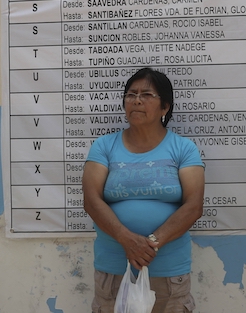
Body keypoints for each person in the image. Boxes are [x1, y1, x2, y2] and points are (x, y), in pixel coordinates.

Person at [83, 67, 206, 313]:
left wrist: (149, 245)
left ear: (165, 107)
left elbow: (194, 206)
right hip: (114, 271)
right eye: (131, 94)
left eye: (147, 94)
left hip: (168, 274)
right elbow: (91, 200)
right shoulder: (104, 146)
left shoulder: (183, 148)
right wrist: (126, 239)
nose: (137, 100)